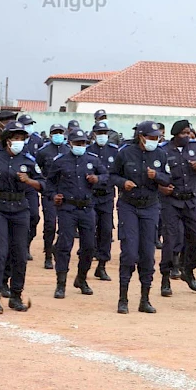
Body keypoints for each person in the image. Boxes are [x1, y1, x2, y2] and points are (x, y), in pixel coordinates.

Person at [0, 121, 44, 313]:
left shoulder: (28, 160)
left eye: (22, 139)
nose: (19, 142)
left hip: (19, 209)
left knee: (19, 254)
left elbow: (43, 184)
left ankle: (16, 295)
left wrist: (29, 181)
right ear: (7, 140)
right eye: (15, 139)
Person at [109, 121, 172, 314]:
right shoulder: (125, 153)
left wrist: (157, 177)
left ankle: (145, 299)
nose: (154, 141)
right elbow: (111, 176)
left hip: (150, 207)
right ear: (141, 136)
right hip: (129, 206)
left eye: (157, 138)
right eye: (151, 138)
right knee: (129, 253)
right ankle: (123, 298)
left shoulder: (161, 154)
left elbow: (168, 179)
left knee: (147, 254)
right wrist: (123, 182)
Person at [47, 128, 108, 298]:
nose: (81, 146)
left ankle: (82, 278)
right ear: (70, 143)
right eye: (77, 143)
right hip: (67, 208)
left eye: (83, 143)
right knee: (64, 246)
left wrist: (98, 179)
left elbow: (106, 176)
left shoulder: (92, 160)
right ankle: (61, 283)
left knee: (89, 246)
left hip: (87, 208)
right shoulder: (60, 161)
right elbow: (49, 183)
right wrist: (53, 196)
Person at [157, 120, 196, 297]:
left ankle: (189, 269)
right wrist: (160, 187)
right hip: (171, 201)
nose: (187, 136)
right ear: (176, 134)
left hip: (191, 201)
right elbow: (153, 174)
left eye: (189, 133)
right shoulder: (163, 150)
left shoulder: (195, 148)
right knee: (171, 240)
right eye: (184, 133)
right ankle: (165, 277)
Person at [87, 120, 118, 281]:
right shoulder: (87, 151)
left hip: (106, 196)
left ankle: (102, 265)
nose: (102, 136)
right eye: (99, 133)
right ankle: (86, 262)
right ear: (94, 135)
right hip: (90, 196)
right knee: (90, 228)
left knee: (106, 230)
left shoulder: (114, 151)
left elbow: (117, 173)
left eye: (104, 133)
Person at [36, 124, 70, 270]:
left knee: (65, 226)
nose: (58, 135)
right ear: (50, 135)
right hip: (49, 193)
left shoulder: (68, 150)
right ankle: (48, 255)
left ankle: (58, 248)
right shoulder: (43, 151)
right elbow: (36, 170)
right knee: (50, 224)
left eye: (60, 132)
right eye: (55, 133)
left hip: (66, 193)